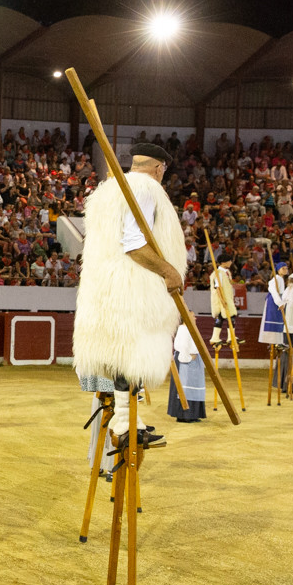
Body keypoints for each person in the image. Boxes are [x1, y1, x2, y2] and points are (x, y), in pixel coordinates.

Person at [74, 143, 186, 441]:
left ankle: (126, 419)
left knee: (119, 354)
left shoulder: (107, 191)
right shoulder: (145, 189)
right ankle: (124, 423)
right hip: (131, 286)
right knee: (132, 352)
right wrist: (168, 270)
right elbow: (135, 243)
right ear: (159, 168)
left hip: (103, 287)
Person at [167, 324, 206, 422]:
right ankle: (185, 415)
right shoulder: (184, 328)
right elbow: (184, 345)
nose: (195, 318)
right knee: (184, 388)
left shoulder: (190, 328)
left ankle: (191, 414)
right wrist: (186, 358)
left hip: (191, 360)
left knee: (192, 388)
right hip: (186, 361)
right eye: (192, 316)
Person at [209, 254, 238, 345]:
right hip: (222, 299)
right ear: (223, 262)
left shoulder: (226, 272)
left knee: (221, 318)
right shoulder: (218, 273)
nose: (231, 262)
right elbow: (218, 288)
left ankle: (215, 337)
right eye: (229, 260)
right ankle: (230, 337)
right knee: (231, 316)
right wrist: (222, 300)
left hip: (227, 297)